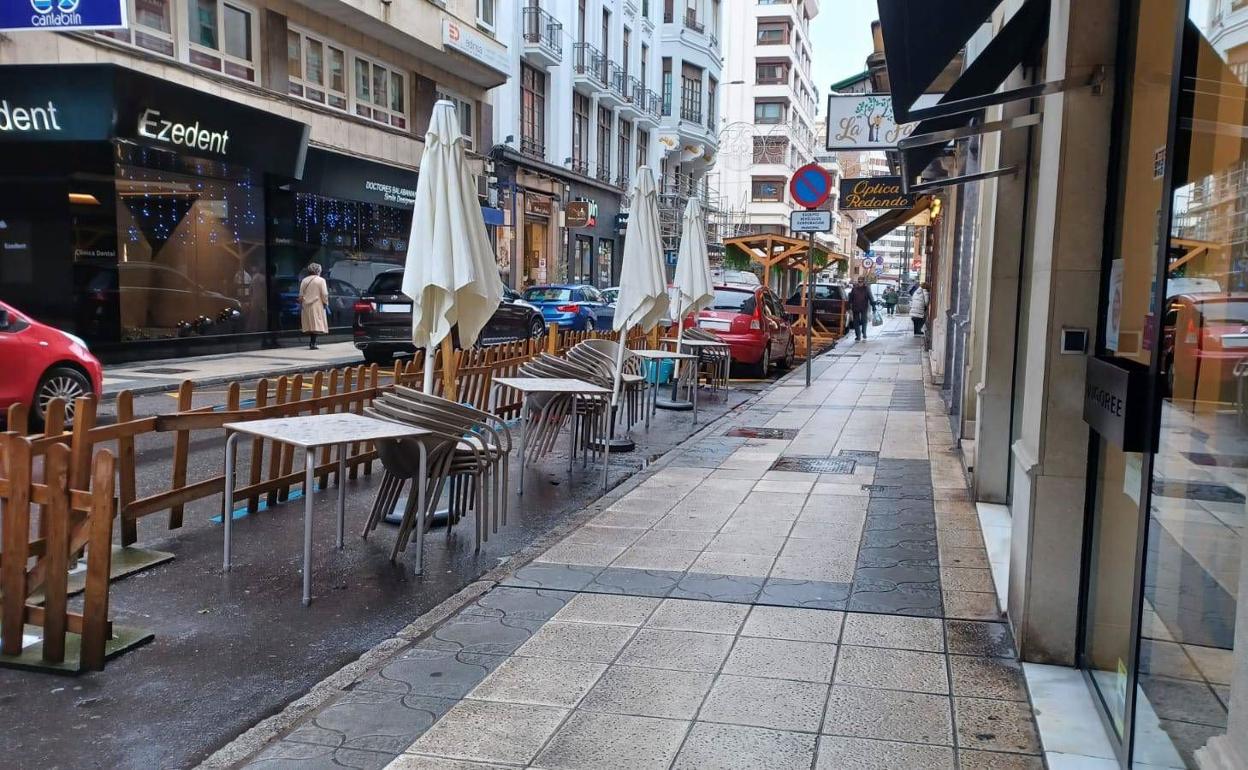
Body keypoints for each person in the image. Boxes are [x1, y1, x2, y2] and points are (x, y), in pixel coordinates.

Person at [300, 262, 329, 350]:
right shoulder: (321, 280)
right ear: (318, 271)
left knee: (310, 324)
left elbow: (301, 294)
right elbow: (324, 294)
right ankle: (313, 342)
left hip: (306, 305)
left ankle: (312, 342)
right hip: (317, 304)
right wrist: (326, 302)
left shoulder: (304, 280)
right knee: (316, 324)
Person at [847, 276, 877, 342]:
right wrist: (849, 306)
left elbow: (871, 297)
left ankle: (864, 333)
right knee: (856, 322)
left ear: (863, 282)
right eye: (859, 281)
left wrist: (873, 306)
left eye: (861, 281)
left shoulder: (867, 289)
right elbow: (851, 299)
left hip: (864, 307)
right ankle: (858, 336)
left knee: (864, 321)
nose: (860, 282)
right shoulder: (854, 289)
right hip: (855, 307)